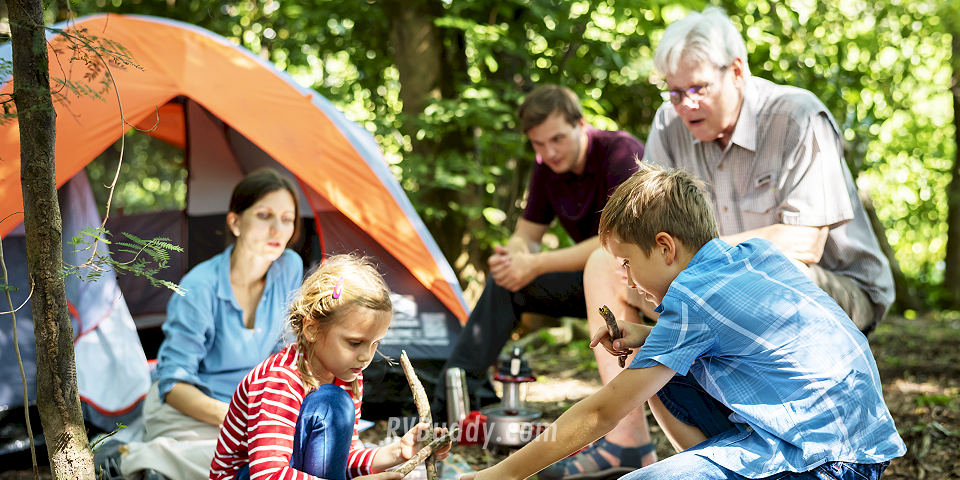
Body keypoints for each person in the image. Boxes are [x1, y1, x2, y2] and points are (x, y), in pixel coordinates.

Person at [463, 164, 906, 480]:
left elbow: (600, 413)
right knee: (663, 371)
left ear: (665, 247)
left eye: (627, 263)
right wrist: (644, 336)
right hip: (859, 446)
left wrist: (499, 475)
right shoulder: (754, 256)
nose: (626, 279)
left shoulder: (694, 299)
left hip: (819, 464)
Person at [434, 84, 657, 476]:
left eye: (557, 139)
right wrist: (514, 257)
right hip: (584, 281)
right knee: (506, 283)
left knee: (589, 263)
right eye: (540, 144)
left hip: (633, 277)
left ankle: (629, 441)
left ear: (580, 124)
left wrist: (535, 265)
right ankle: (452, 403)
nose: (550, 152)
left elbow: (612, 242)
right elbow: (527, 232)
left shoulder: (620, 152)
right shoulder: (545, 169)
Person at [637, 7, 894, 334]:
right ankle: (639, 385)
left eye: (698, 88)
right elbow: (653, 231)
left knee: (762, 275)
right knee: (614, 268)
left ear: (736, 72)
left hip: (837, 285)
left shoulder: (798, 117)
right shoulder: (668, 123)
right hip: (716, 282)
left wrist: (700, 257)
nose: (685, 105)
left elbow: (805, 242)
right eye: (674, 93)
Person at [96, 168, 306, 480]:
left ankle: (159, 465)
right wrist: (240, 420)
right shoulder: (199, 287)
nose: (278, 229)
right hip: (188, 409)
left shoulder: (289, 266)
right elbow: (173, 385)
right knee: (257, 458)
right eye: (264, 215)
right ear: (235, 222)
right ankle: (132, 458)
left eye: (287, 219)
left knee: (286, 450)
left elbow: (283, 354)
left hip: (247, 408)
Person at [209, 254, 450, 480]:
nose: (366, 356)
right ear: (312, 328)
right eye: (355, 342)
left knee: (334, 402)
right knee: (330, 402)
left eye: (376, 343)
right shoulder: (280, 379)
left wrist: (399, 452)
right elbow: (268, 474)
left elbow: (340, 460)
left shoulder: (348, 376)